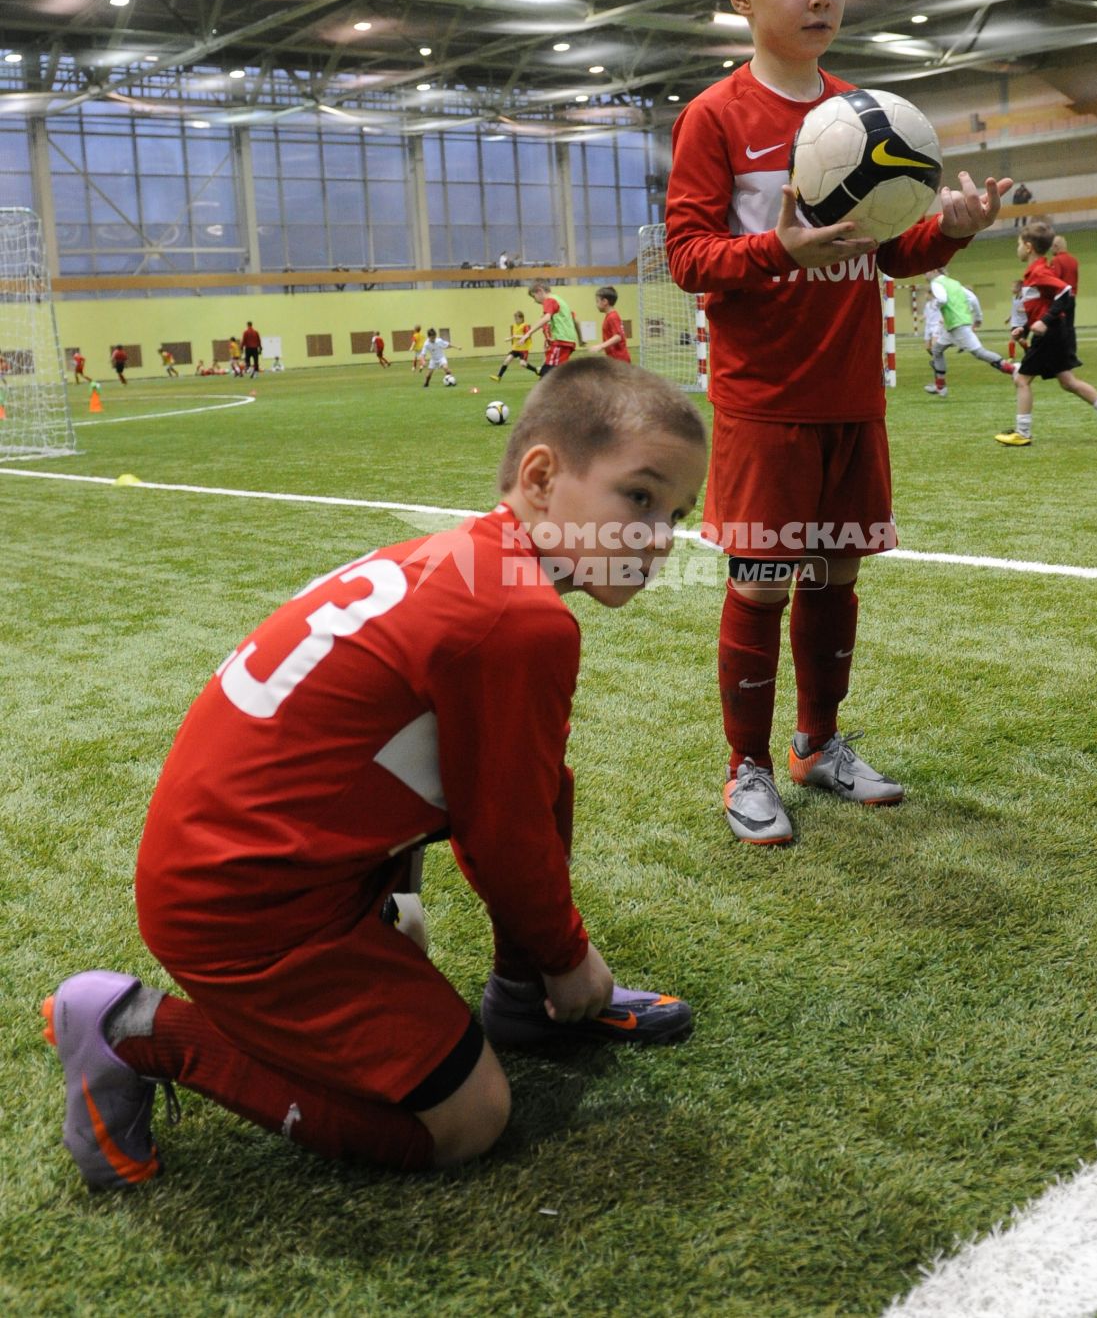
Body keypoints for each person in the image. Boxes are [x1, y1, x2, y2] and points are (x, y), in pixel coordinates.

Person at [40, 358, 707, 1192]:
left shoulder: (463, 554)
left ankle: (519, 997)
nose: (660, 537)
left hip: (251, 865)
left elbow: (463, 782)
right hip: (248, 911)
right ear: (540, 477)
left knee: (539, 783)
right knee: (470, 1120)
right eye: (639, 498)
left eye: (676, 513)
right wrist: (568, 955)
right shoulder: (517, 616)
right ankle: (130, 1027)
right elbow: (501, 835)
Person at [664, 0, 1012, 847]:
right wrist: (779, 252)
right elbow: (689, 258)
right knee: (765, 580)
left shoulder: (863, 113)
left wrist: (951, 229)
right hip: (765, 399)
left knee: (835, 573)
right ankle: (748, 767)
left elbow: (889, 251)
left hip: (854, 391)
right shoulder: (716, 117)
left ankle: (819, 746)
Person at [995, 220, 1097, 446]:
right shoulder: (1034, 272)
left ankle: (1022, 432)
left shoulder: (1039, 271)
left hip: (1051, 334)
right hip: (1055, 332)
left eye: (1018, 244)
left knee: (1022, 379)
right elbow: (1042, 305)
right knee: (1067, 381)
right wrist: (1024, 328)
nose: (1016, 248)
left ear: (1028, 247)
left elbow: (1065, 292)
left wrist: (1044, 322)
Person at [922, 268, 1013, 396]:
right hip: (953, 326)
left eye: (926, 269)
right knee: (936, 350)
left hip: (957, 325)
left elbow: (942, 299)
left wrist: (934, 306)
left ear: (936, 270)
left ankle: (1013, 370)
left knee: (979, 353)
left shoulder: (936, 283)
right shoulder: (954, 283)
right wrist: (978, 318)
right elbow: (973, 298)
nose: (923, 272)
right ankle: (940, 387)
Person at [523, 281, 580, 376]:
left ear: (539, 291)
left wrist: (528, 333)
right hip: (568, 341)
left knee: (547, 374)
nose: (535, 300)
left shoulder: (549, 300)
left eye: (534, 296)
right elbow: (575, 320)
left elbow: (546, 318)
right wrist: (580, 339)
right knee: (557, 375)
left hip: (561, 341)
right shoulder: (560, 300)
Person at [586, 286, 632, 364]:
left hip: (619, 360)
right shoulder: (610, 316)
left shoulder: (612, 317)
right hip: (615, 359)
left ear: (605, 302)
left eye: (597, 301)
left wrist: (600, 346)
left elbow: (618, 336)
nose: (596, 304)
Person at [492, 311, 541, 382]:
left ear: (521, 318)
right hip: (515, 348)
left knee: (522, 364)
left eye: (517, 318)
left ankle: (536, 370)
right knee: (507, 360)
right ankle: (499, 377)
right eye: (515, 319)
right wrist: (510, 339)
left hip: (523, 349)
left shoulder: (525, 326)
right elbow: (515, 336)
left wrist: (516, 336)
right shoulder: (514, 326)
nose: (515, 320)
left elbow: (528, 335)